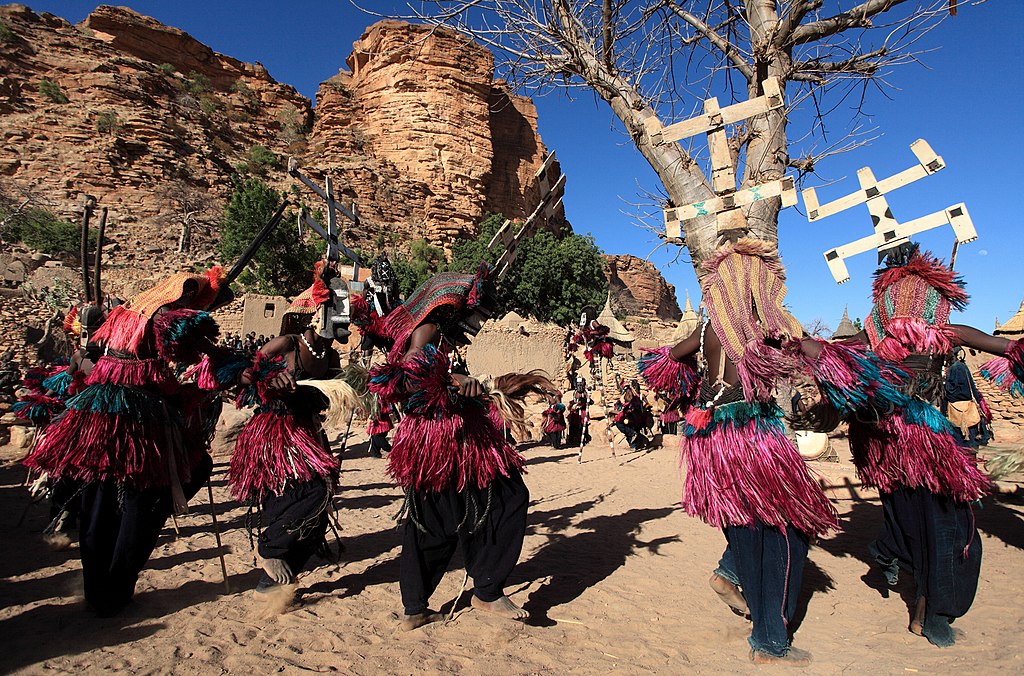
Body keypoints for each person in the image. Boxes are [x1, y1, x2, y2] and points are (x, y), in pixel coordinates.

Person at [639, 238, 843, 665]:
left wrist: (671, 371)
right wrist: (850, 366)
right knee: (788, 532)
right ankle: (770, 639)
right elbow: (816, 353)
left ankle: (735, 576)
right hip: (752, 435)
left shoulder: (708, 328)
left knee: (748, 529)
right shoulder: (769, 325)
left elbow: (666, 361)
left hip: (711, 438)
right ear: (758, 284)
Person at [836, 243, 1022, 647]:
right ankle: (931, 613)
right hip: (926, 444)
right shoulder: (946, 333)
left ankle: (894, 561)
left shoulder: (867, 337)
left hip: (882, 442)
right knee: (949, 528)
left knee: (908, 515)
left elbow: (829, 354)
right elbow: (1006, 348)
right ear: (937, 299)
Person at [24, 269, 228, 616]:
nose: (191, 303)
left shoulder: (125, 311)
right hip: (139, 415)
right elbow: (198, 347)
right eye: (191, 297)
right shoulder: (165, 314)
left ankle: (97, 588)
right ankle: (115, 587)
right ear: (180, 293)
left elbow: (90, 355)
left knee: (98, 497)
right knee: (150, 495)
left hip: (97, 410)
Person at [369, 263, 530, 629]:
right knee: (495, 501)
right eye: (479, 312)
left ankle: (428, 604)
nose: (482, 321)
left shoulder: (441, 338)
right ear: (454, 307)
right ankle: (477, 593)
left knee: (460, 513)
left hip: (454, 439)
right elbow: (409, 372)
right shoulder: (428, 330)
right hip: (439, 439)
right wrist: (453, 378)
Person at [225, 267, 344, 592]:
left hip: (309, 434)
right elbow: (246, 374)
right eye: (335, 310)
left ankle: (273, 579)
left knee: (319, 501)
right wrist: (269, 380)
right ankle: (270, 549)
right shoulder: (287, 343)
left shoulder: (331, 356)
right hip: (277, 432)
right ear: (317, 313)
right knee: (295, 496)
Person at [943, 347, 988, 447]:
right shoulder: (962, 366)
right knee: (972, 443)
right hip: (969, 408)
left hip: (957, 409)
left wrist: (944, 385)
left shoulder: (955, 368)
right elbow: (972, 387)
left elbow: (951, 391)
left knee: (961, 444)